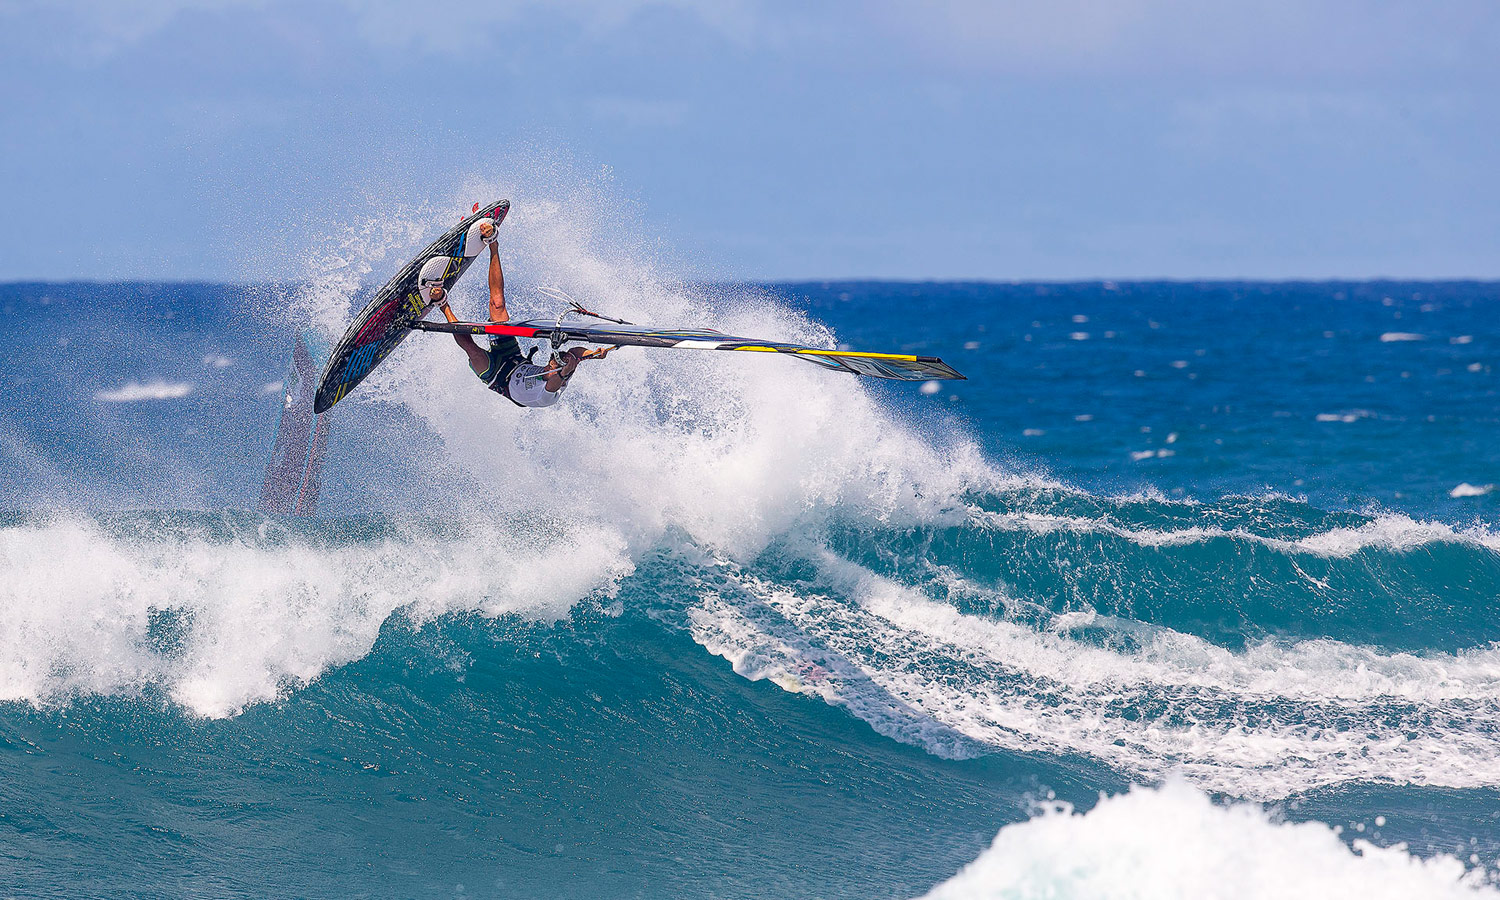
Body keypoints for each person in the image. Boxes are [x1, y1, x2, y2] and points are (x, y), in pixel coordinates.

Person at [431, 221, 612, 408]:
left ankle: (442, 304)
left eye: (559, 361)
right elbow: (574, 353)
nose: (557, 358)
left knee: (473, 352)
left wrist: (562, 372)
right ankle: (493, 244)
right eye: (559, 357)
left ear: (560, 371)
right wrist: (593, 354)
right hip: (514, 359)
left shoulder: (548, 395)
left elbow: (553, 383)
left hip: (498, 378)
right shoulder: (563, 367)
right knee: (498, 306)